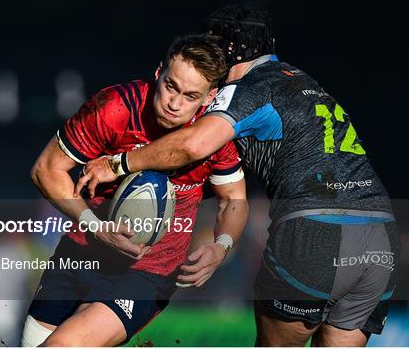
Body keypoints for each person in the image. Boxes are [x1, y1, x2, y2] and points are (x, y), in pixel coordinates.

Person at [77, 6, 400, 346]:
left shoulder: (250, 86)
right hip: (381, 235)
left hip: (315, 231)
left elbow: (193, 145)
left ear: (229, 49)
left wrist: (119, 163)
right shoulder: (304, 81)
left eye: (212, 48)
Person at [21, 34, 249, 347]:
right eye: (171, 86)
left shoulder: (213, 135)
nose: (174, 103)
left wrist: (221, 246)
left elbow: (233, 200)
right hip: (81, 254)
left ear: (209, 97)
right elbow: (46, 170)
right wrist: (97, 228)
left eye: (190, 96)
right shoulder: (115, 108)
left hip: (146, 273)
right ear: (159, 73)